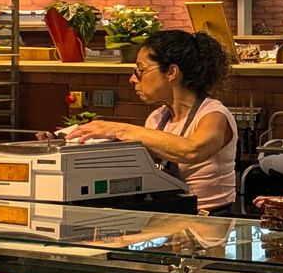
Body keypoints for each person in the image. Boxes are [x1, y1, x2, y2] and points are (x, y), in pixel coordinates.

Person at [63, 31, 239, 216]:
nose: (133, 79)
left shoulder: (213, 114)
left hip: (211, 223)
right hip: (168, 219)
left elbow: (192, 150)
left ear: (171, 72)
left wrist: (119, 129)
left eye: (141, 70)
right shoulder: (157, 118)